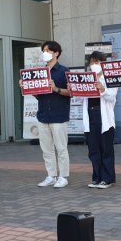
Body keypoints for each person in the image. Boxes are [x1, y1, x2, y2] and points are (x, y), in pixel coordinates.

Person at [34, 41, 72, 188]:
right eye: (44, 50)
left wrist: (55, 88)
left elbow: (70, 93)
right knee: (46, 149)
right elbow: (38, 95)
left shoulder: (64, 71)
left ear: (56, 53)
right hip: (43, 115)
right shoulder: (39, 72)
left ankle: (63, 176)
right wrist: (28, 88)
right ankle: (51, 175)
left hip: (59, 116)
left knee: (61, 148)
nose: (46, 53)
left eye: (49, 50)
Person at [79, 51, 118, 189]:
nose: (94, 65)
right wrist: (74, 88)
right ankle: (96, 177)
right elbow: (80, 98)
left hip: (104, 118)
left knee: (106, 149)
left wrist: (103, 89)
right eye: (91, 62)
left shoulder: (109, 77)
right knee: (93, 149)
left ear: (103, 63)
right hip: (90, 116)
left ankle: (107, 178)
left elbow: (112, 97)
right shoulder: (86, 78)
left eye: (97, 62)